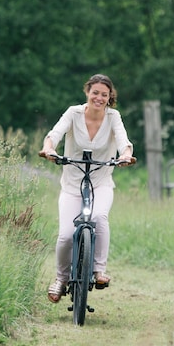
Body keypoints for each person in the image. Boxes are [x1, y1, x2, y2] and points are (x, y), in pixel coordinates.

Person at [39, 74, 135, 303]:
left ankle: (99, 270)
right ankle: (61, 279)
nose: (99, 98)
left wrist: (125, 154)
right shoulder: (73, 113)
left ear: (110, 97)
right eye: (95, 93)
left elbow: (123, 140)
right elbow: (55, 134)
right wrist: (49, 149)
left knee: (99, 217)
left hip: (101, 182)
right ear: (87, 93)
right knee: (65, 236)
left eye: (104, 94)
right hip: (72, 184)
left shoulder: (113, 117)